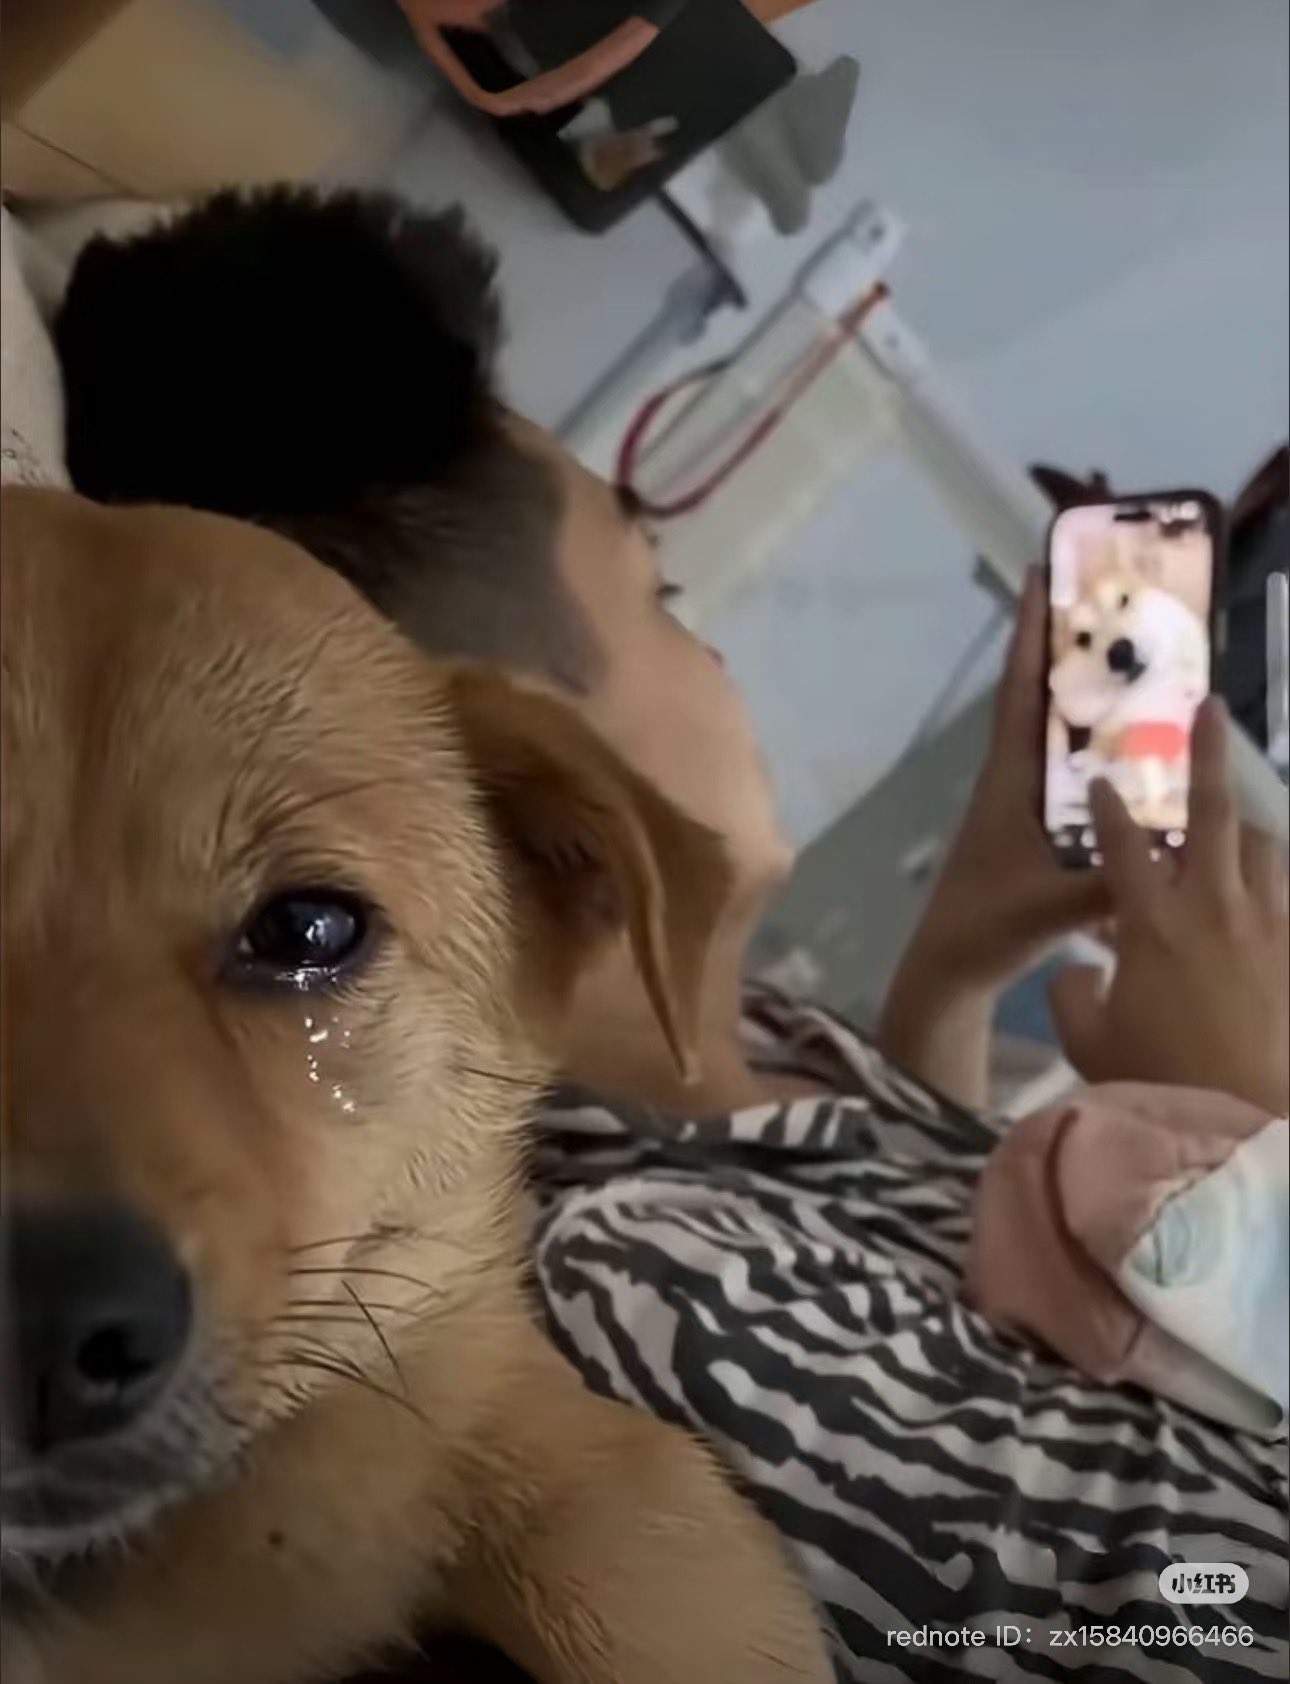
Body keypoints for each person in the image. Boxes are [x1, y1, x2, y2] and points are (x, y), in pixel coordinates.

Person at [49, 187, 1289, 1682]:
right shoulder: (650, 1281)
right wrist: (1249, 1158)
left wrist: (955, 962)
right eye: (666, 600)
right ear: (545, 791)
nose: (716, 656)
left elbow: (932, 1248)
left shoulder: (763, 1047)